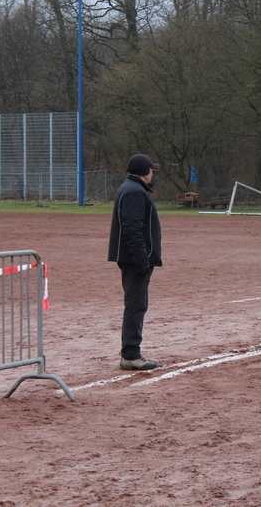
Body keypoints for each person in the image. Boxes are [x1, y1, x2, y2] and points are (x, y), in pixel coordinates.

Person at [108, 154, 162, 370]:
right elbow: (132, 228)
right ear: (144, 172)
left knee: (137, 303)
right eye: (151, 170)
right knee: (136, 304)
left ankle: (130, 352)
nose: (153, 173)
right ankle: (130, 354)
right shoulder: (135, 191)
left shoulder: (131, 188)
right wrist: (142, 260)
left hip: (133, 257)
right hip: (134, 259)